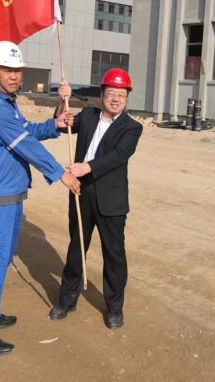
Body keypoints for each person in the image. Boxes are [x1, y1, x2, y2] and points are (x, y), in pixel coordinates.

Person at [0, 40, 81, 355]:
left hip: (9, 197)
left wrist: (55, 124)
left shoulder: (5, 102)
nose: (15, 76)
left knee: (0, 261)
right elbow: (26, 145)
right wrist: (61, 174)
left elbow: (26, 130)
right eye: (7, 70)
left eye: (17, 70)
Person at [49, 68, 143, 329]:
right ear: (102, 94)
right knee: (76, 248)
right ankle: (67, 300)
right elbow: (62, 123)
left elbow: (118, 156)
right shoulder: (88, 116)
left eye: (121, 95)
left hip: (111, 200)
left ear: (127, 98)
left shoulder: (131, 127)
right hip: (81, 192)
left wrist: (86, 167)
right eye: (111, 93)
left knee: (114, 255)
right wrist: (62, 100)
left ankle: (114, 308)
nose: (116, 99)